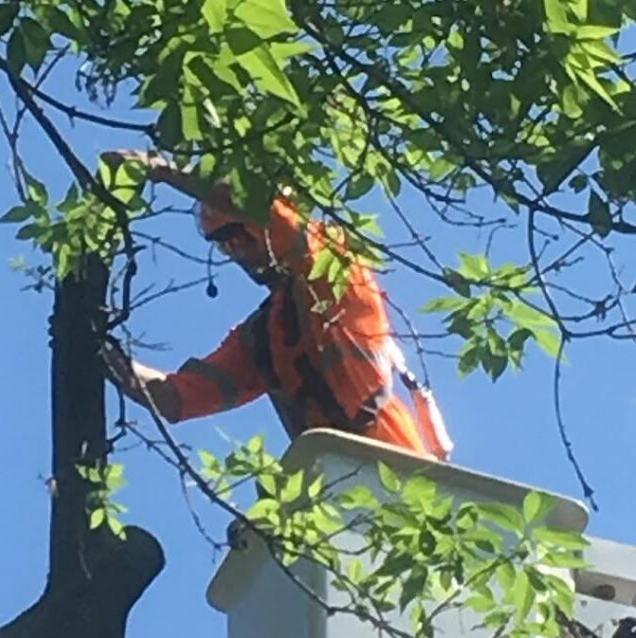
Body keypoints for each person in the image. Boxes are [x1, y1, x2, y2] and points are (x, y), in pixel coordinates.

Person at [102, 151, 452, 460]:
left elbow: (257, 209)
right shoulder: (264, 336)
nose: (238, 251)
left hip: (397, 468)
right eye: (225, 245)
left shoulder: (336, 268)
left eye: (242, 236)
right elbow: (176, 397)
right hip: (337, 487)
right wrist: (99, 351)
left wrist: (160, 169)